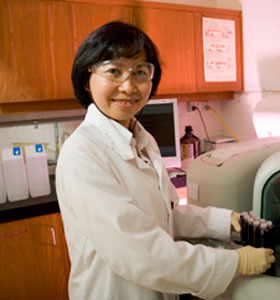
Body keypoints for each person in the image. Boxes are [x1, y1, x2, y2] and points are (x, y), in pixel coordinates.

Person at [56, 21, 275, 300]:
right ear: (87, 79)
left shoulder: (140, 140)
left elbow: (166, 214)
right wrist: (235, 262)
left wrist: (226, 221)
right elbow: (139, 252)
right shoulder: (83, 154)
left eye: (140, 72)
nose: (128, 86)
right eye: (114, 71)